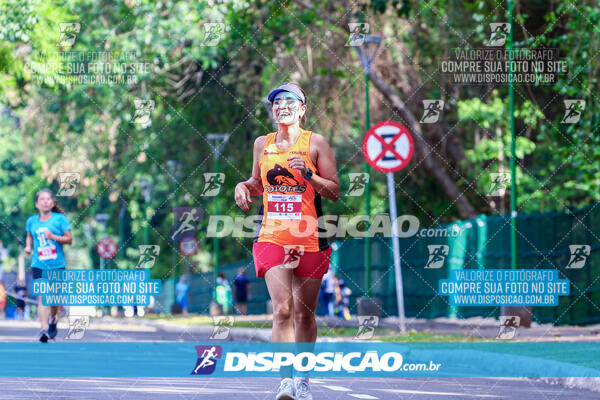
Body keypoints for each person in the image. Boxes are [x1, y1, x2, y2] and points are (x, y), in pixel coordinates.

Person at [234, 82, 340, 400]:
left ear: (302, 109)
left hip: (310, 236)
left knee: (304, 314)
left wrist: (308, 175)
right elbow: (257, 182)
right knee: (282, 309)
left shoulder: (316, 143)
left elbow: (333, 191)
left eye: (289, 101)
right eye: (276, 102)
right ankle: (285, 382)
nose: (282, 106)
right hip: (272, 235)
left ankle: (303, 380)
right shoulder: (262, 144)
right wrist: (242, 186)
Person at [24, 189, 73, 342]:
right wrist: (28, 246)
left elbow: (69, 239)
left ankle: (53, 320)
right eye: (42, 199)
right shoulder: (32, 221)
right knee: (42, 297)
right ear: (37, 204)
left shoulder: (60, 220)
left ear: (52, 203)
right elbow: (29, 236)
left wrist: (53, 237)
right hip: (38, 264)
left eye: (48, 199)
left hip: (57, 265)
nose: (45, 201)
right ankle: (44, 329)